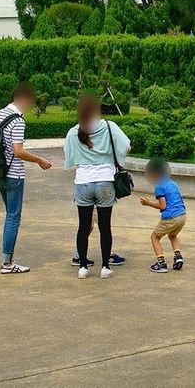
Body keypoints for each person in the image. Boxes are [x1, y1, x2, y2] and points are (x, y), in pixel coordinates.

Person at [64, 94, 130, 280]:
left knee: (83, 227)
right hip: (105, 182)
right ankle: (105, 267)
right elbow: (126, 146)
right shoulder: (109, 127)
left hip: (83, 182)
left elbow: (69, 157)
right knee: (104, 226)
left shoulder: (74, 131)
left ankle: (83, 267)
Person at [0, 82, 53, 275]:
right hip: (14, 175)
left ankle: (7, 259)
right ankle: (7, 263)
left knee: (9, 214)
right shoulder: (17, 120)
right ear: (24, 99)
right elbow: (18, 152)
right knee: (13, 217)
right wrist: (39, 160)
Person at [139, 159, 186, 273]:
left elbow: (163, 206)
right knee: (173, 236)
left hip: (170, 218)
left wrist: (148, 203)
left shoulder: (159, 186)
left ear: (154, 174)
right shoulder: (172, 183)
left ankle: (161, 263)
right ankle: (178, 257)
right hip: (182, 216)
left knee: (155, 237)